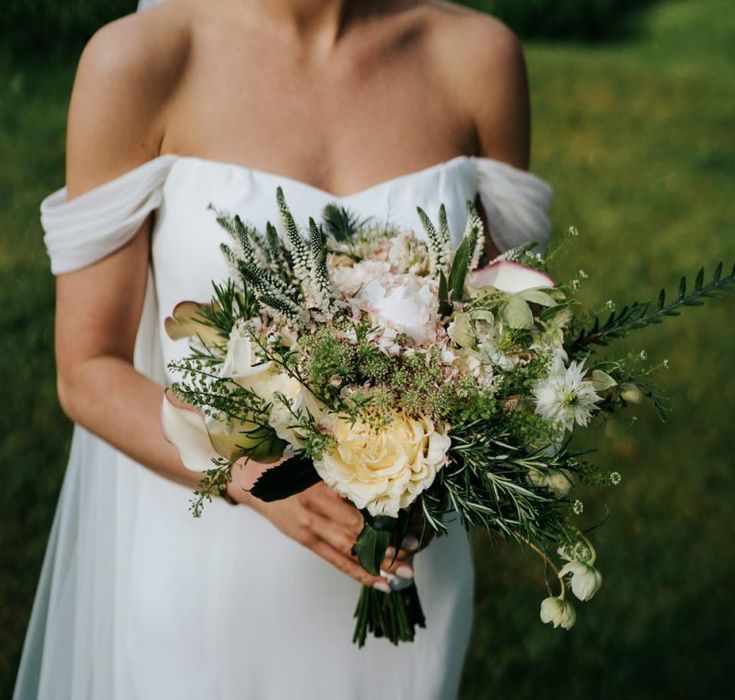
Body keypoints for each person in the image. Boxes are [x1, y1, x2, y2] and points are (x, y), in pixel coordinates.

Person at [13, 0, 553, 697]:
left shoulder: (478, 57)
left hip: (404, 569)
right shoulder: (141, 60)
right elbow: (87, 370)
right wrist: (256, 480)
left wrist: (465, 425)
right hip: (206, 574)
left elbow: (508, 321)